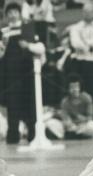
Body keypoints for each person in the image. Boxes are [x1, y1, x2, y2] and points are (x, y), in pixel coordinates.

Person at [0, 2, 46, 144]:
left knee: (30, 104)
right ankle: (13, 136)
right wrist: (4, 45)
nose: (13, 14)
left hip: (27, 74)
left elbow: (41, 48)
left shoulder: (27, 27)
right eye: (10, 12)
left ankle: (32, 135)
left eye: (15, 12)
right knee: (13, 106)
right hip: (10, 76)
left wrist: (28, 46)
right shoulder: (3, 31)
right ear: (6, 15)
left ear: (19, 13)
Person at [69, 2, 93, 122]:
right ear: (82, 12)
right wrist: (87, 47)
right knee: (82, 91)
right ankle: (81, 118)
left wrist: (88, 44)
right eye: (85, 11)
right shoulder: (76, 27)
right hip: (82, 62)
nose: (88, 14)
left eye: (90, 11)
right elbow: (75, 42)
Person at [46, 73, 93, 140]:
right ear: (68, 89)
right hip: (70, 127)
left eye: (76, 87)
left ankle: (80, 135)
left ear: (80, 87)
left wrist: (81, 120)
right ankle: (67, 136)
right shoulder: (65, 101)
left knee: (92, 124)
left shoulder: (87, 98)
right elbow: (65, 118)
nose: (74, 89)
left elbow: (90, 117)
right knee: (50, 122)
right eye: (72, 87)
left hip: (83, 125)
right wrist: (69, 124)